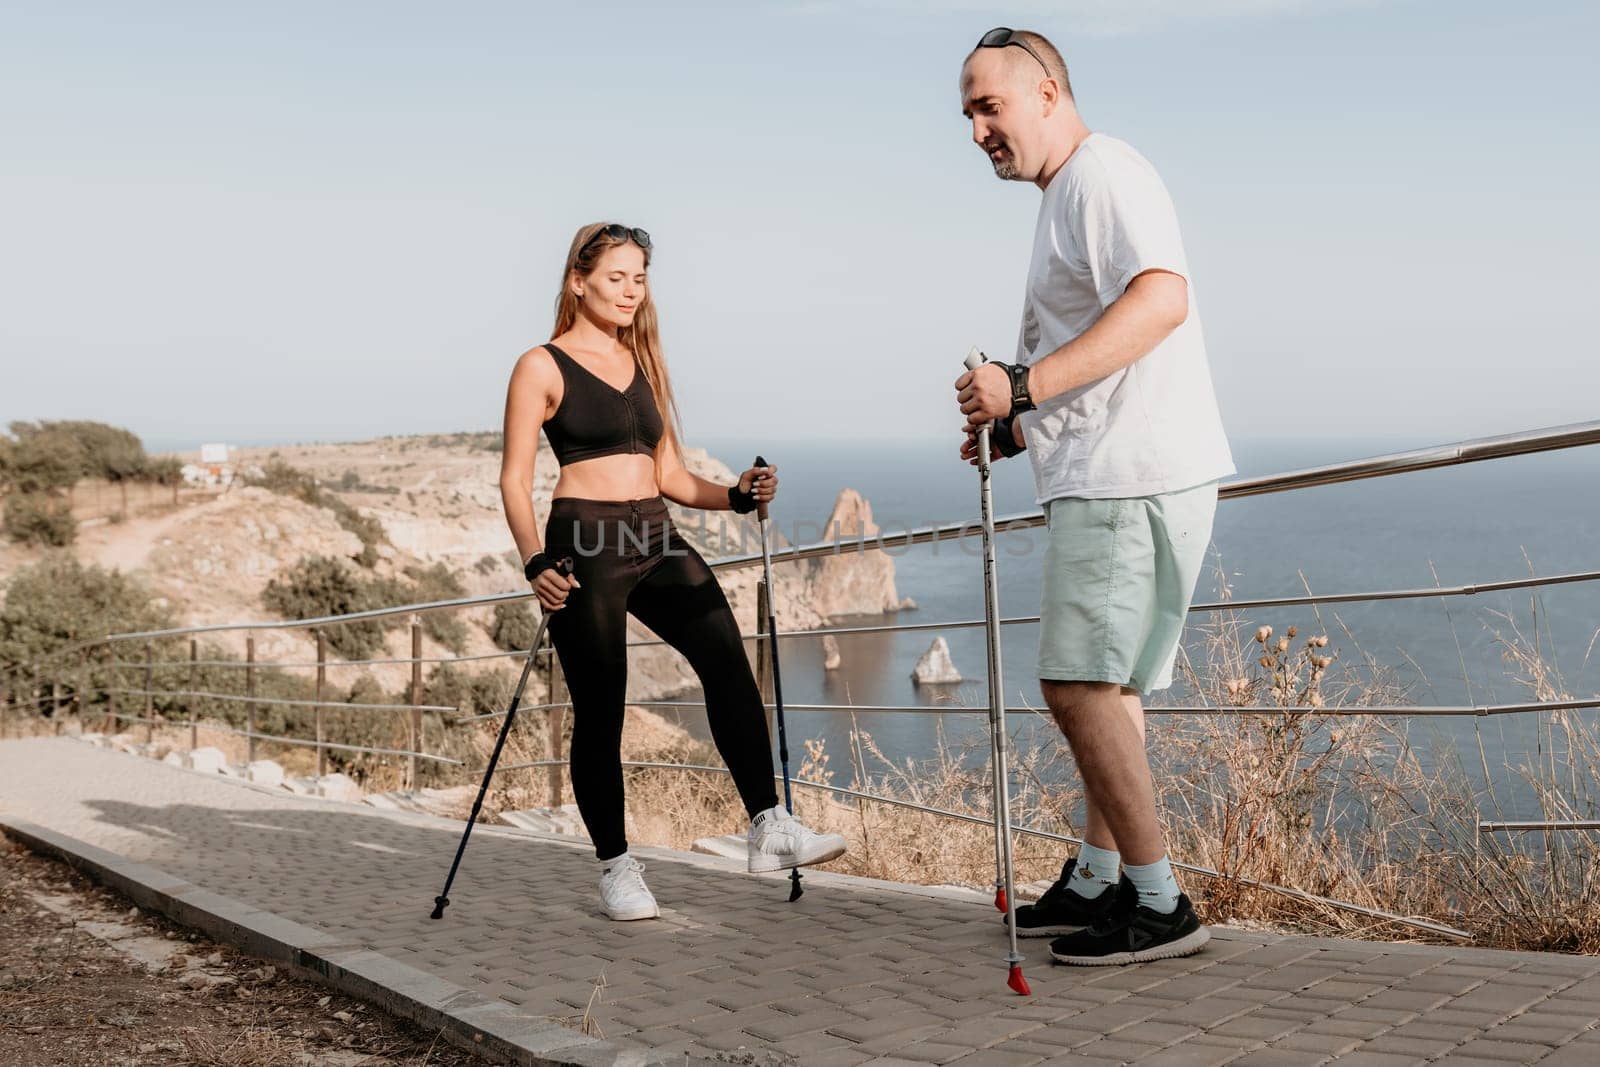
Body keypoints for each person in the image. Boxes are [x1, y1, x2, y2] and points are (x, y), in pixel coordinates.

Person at [955, 28, 1234, 965]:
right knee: (1109, 688)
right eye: (969, 115)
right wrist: (1015, 422)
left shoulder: (1099, 175)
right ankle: (1097, 879)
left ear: (1047, 92)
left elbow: (1161, 299)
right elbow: (1104, 360)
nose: (980, 130)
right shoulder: (1068, 193)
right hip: (1129, 468)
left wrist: (1021, 387)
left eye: (990, 107)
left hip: (1129, 478)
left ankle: (1160, 904)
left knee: (1075, 683)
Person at [499, 221, 846, 921]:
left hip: (657, 535)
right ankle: (616, 865)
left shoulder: (643, 361)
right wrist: (535, 560)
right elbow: (513, 479)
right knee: (600, 712)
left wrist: (737, 495)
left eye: (641, 278)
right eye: (616, 277)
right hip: (585, 544)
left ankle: (769, 826)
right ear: (578, 281)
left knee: (725, 658)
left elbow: (670, 474)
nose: (631, 291)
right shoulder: (541, 364)